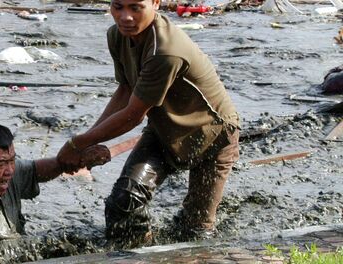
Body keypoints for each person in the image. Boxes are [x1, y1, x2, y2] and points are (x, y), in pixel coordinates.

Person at [57, 0, 240, 242]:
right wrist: (89, 141)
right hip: (164, 129)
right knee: (125, 199)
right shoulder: (117, 36)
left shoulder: (165, 51)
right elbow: (125, 90)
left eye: (135, 8)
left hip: (212, 134)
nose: (125, 17)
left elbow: (133, 115)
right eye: (118, 6)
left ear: (155, 3)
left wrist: (76, 144)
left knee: (196, 231)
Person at [0, 117, 110, 256]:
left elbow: (40, 170)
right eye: (1, 164)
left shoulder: (10, 174)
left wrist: (77, 159)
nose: (9, 171)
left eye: (12, 161)